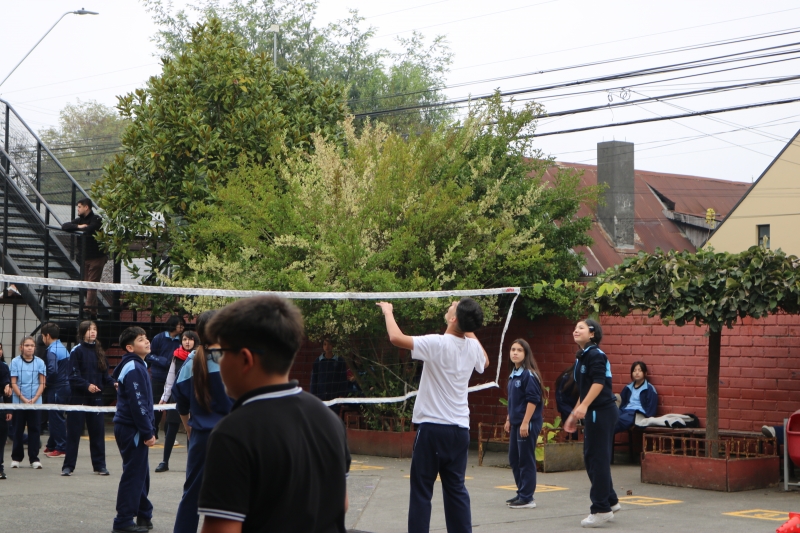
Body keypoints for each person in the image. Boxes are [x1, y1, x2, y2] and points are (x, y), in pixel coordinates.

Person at [196, 296, 350, 533]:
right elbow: (342, 502)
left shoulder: (232, 433)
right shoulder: (330, 420)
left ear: (245, 359)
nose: (220, 362)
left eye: (222, 354)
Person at [377, 298, 489, 533]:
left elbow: (396, 338)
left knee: (421, 491)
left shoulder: (437, 343)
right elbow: (485, 361)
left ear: (453, 318)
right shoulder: (471, 348)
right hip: (459, 430)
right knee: (456, 489)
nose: (450, 305)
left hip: (432, 429)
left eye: (453, 307)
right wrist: (468, 329)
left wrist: (388, 312)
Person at [171, 313, 232, 533]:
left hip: (202, 438)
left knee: (192, 496)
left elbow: (182, 403)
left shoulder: (191, 360)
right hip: (232, 438)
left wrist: (189, 429)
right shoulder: (234, 360)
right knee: (233, 499)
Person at [564, 319, 620, 528]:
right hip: (595, 412)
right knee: (594, 458)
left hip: (602, 412)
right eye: (575, 327)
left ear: (593, 333)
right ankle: (611, 501)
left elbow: (598, 383)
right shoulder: (582, 356)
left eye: (581, 327)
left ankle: (601, 509)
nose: (575, 330)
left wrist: (585, 406)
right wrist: (575, 412)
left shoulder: (596, 355)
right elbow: (586, 389)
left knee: (596, 460)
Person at [112, 327, 156, 533]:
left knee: (141, 474)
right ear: (130, 347)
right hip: (132, 428)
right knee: (133, 474)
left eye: (146, 338)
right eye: (141, 339)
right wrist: (147, 432)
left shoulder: (139, 365)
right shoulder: (134, 367)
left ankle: (144, 515)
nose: (146, 341)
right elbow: (138, 405)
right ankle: (123, 521)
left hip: (131, 426)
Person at [62, 320, 116, 477]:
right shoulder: (76, 351)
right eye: (89, 329)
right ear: (82, 332)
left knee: (98, 432)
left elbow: (105, 376)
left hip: (96, 397)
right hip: (79, 396)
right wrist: (87, 385)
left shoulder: (100, 351)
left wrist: (114, 384)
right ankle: (68, 466)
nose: (93, 332)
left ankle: (100, 466)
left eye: (94, 329)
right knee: (73, 432)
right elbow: (72, 376)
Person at [503, 339, 544, 510]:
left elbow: (533, 400)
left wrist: (525, 422)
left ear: (526, 354)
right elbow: (514, 401)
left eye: (519, 350)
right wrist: (508, 419)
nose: (515, 353)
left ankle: (527, 498)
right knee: (514, 458)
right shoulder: (514, 374)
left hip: (527, 423)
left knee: (525, 459)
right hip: (516, 423)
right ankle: (522, 492)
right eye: (513, 349)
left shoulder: (528, 374)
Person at [156, 330, 200, 474]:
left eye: (190, 339)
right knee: (171, 428)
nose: (187, 342)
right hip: (178, 395)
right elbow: (170, 379)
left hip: (194, 396)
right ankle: (165, 461)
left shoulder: (199, 356)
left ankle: (191, 462)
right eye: (184, 339)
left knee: (190, 430)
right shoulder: (176, 356)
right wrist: (164, 397)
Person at [61, 197, 107, 314]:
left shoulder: (96, 219)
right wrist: (78, 227)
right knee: (87, 283)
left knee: (92, 283)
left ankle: (87, 308)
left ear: (86, 207)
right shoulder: (79, 220)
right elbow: (65, 226)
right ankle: (93, 312)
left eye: (80, 207)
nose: (78, 209)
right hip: (84, 257)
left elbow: (91, 229)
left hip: (97, 257)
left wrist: (82, 227)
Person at [10, 336, 46, 469]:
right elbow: (13, 382)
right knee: (18, 430)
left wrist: (35, 398)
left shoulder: (40, 362)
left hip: (35, 402)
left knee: (35, 429)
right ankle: (16, 458)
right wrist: (24, 399)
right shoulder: (15, 362)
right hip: (19, 402)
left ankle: (34, 458)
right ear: (21, 347)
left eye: (32, 345)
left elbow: (43, 383)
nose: (29, 347)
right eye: (27, 345)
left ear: (35, 347)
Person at [146, 315, 185, 440]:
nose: (182, 327)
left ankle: (169, 436)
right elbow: (149, 355)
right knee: (156, 405)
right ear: (173, 325)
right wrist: (163, 361)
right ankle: (153, 432)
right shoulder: (159, 338)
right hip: (158, 377)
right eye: (180, 324)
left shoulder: (182, 341)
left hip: (174, 379)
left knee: (171, 409)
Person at [41, 323, 71, 458]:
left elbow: (52, 370)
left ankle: (61, 448)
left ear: (47, 336)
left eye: (42, 336)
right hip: (65, 386)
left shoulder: (52, 350)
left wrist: (45, 382)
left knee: (55, 417)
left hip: (57, 387)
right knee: (55, 416)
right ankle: (52, 444)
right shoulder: (62, 347)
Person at [615, 361, 658, 434]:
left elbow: (651, 408)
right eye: (634, 370)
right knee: (611, 417)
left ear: (645, 373)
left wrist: (646, 418)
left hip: (637, 414)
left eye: (640, 370)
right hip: (625, 411)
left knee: (617, 421)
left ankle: (605, 436)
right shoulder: (628, 387)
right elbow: (622, 402)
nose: (637, 373)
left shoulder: (650, 389)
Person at [310, 337, 349, 414]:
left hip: (335, 396)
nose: (327, 347)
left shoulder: (340, 361)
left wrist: (341, 395)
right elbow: (314, 380)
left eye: (329, 344)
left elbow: (343, 379)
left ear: (333, 345)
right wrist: (313, 396)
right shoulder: (318, 361)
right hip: (320, 396)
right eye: (325, 344)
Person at [555, 366, 580, 440]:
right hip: (568, 408)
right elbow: (560, 398)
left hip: (581, 410)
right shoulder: (567, 378)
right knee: (572, 434)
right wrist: (571, 413)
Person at [0, 345, 11, 479]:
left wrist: (9, 409)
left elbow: (6, 383)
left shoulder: (3, 367)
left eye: (0, 348)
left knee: (1, 439)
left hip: (1, 407)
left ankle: (0, 467)